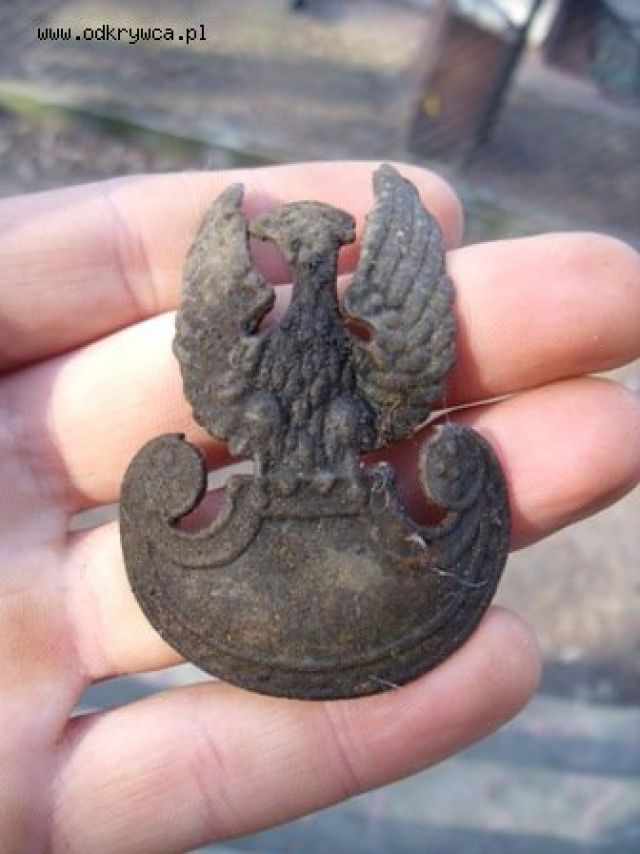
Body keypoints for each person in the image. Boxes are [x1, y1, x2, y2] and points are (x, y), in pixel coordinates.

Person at [1, 161, 638, 852]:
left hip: (342, 517)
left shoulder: (361, 352)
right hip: (302, 536)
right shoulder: (249, 364)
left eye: (316, 252)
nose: (309, 263)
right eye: (303, 250)